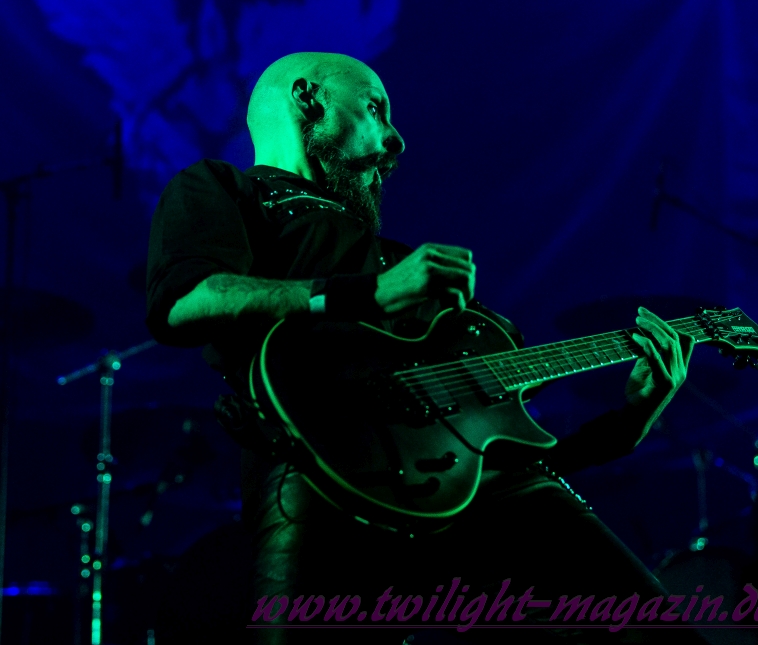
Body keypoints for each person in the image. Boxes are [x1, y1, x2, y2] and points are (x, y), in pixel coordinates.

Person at [146, 52, 699, 644]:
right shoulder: (227, 189)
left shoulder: (401, 263)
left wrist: (629, 422)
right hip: (316, 472)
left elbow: (501, 445)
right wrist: (369, 293)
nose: (397, 140)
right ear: (307, 98)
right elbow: (186, 301)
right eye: (375, 109)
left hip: (477, 493)